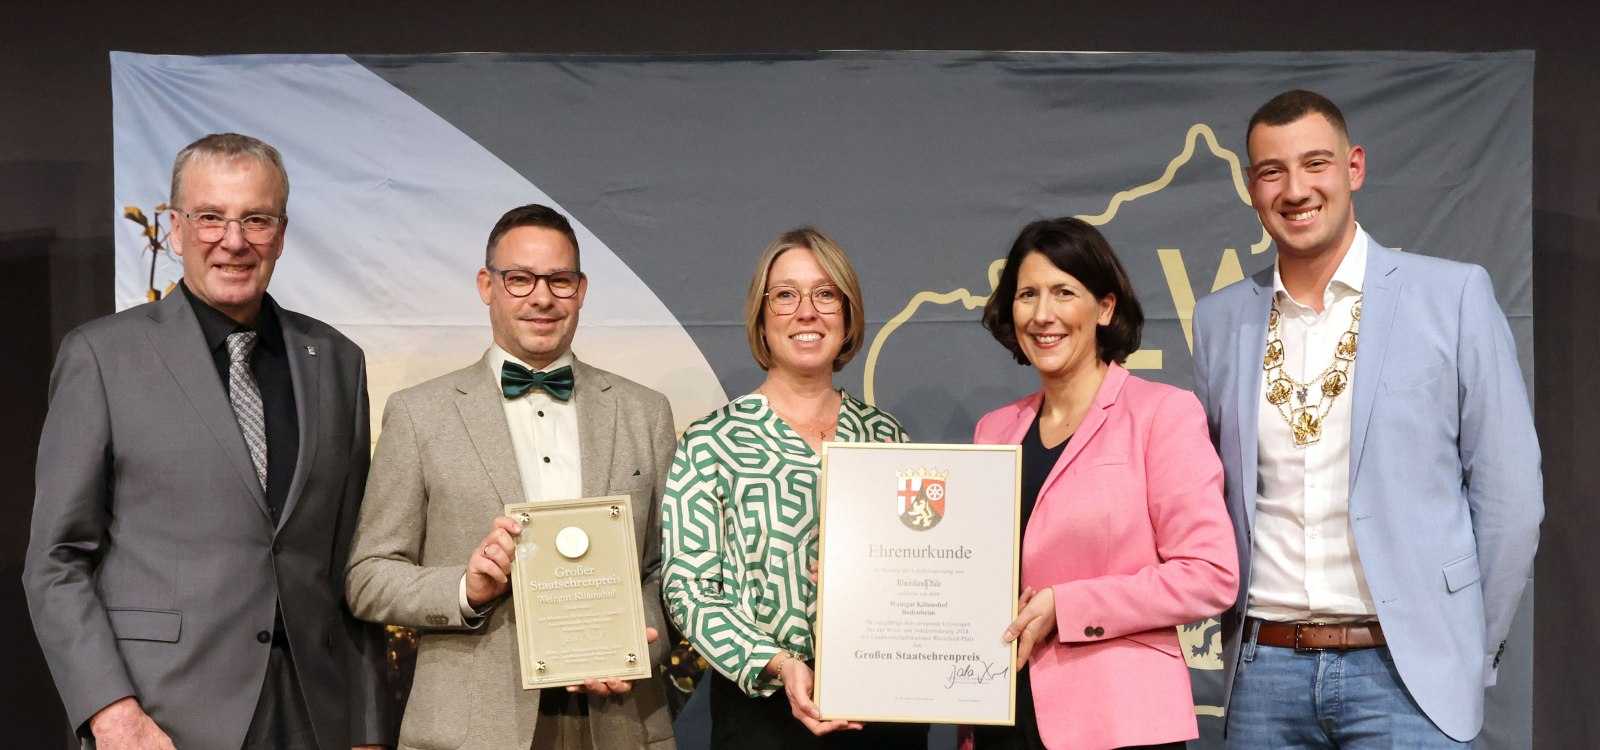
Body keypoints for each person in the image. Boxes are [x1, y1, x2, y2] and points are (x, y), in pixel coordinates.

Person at [1191, 90, 1544, 747]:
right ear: (1250, 187)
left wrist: (1466, 649)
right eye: (1272, 171)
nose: (1295, 189)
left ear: (1354, 167)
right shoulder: (1219, 321)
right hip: (1264, 674)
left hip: (1407, 676)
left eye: (1315, 163)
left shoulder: (1452, 296)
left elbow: (1511, 499)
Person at [22, 133, 390, 749]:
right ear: (173, 228)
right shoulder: (102, 357)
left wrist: (370, 727)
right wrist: (111, 713)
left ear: (282, 229)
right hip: (161, 719)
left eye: (256, 218)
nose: (234, 240)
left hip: (315, 717)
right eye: (210, 218)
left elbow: (351, 564)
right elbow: (56, 561)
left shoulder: (336, 362)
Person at [345, 204, 676, 750]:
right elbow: (368, 575)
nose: (541, 297)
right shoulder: (419, 413)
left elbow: (669, 571)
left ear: (582, 289)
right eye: (519, 279)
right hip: (472, 726)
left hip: (619, 720)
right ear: (487, 285)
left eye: (559, 280)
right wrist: (466, 590)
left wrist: (637, 642)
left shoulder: (645, 412)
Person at [967, 217, 1238, 750]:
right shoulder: (993, 430)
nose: (1043, 314)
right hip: (1002, 714)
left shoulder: (1162, 414)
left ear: (1105, 308)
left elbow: (1210, 574)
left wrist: (1066, 607)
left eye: (1064, 292)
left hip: (1119, 723)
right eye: (1027, 294)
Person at [662, 228, 928, 749]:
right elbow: (688, 588)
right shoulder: (711, 441)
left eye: (825, 294)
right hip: (762, 714)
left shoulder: (887, 436)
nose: (807, 311)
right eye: (785, 294)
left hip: (884, 707)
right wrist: (780, 665)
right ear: (762, 318)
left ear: (847, 315)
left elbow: (922, 572)